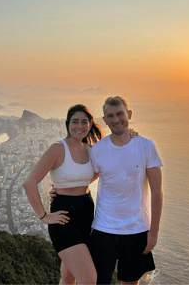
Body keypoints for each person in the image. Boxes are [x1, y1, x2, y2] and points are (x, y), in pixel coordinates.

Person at [51, 96, 164, 285]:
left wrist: (154, 232)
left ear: (128, 114)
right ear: (105, 120)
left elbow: (157, 191)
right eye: (110, 116)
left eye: (120, 114)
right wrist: (60, 191)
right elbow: (86, 178)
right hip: (103, 230)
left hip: (137, 229)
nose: (116, 119)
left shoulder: (146, 146)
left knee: (130, 282)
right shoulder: (98, 149)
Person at [23, 104, 101, 284]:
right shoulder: (58, 149)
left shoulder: (90, 150)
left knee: (68, 276)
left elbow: (95, 173)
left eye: (84, 122)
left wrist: (71, 185)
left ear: (90, 125)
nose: (79, 126)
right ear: (68, 124)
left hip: (85, 215)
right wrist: (44, 216)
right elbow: (29, 183)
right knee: (89, 279)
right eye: (75, 122)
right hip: (63, 218)